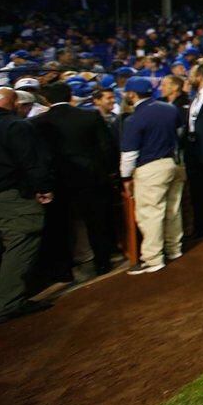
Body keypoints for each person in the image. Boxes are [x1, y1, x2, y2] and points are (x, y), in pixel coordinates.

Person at [31, 82, 118, 278]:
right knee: (97, 223)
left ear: (46, 99)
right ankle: (103, 263)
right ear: (70, 95)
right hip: (92, 179)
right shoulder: (89, 116)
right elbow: (107, 148)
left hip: (59, 183)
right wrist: (108, 172)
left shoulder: (38, 123)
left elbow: (39, 157)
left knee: (62, 226)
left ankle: (64, 272)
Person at [0, 87, 55, 324]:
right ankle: (8, 303)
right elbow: (31, 162)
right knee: (21, 241)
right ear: (14, 103)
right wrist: (43, 188)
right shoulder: (15, 125)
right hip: (11, 194)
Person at [120, 75, 186, 274]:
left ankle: (153, 259)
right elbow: (180, 132)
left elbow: (129, 154)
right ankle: (174, 249)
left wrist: (126, 178)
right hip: (173, 163)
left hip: (150, 169)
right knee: (173, 210)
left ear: (132, 93)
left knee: (150, 214)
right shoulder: (169, 108)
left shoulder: (135, 118)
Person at [183, 60, 203, 237]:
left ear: (200, 76)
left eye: (192, 74)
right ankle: (202, 227)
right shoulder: (194, 98)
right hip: (194, 153)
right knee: (198, 193)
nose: (189, 78)